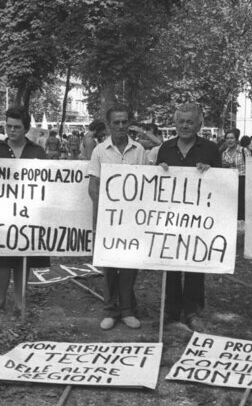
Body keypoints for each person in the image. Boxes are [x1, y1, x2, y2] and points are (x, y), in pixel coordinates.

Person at [155, 103, 221, 328]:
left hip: (198, 220)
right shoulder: (165, 148)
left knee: (195, 266)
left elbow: (221, 184)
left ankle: (193, 312)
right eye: (181, 121)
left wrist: (209, 172)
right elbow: (155, 185)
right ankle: (172, 312)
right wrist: (160, 169)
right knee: (170, 265)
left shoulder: (211, 149)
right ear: (175, 123)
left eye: (189, 122)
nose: (184, 126)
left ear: (199, 124)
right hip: (170, 218)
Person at [0, 106, 50, 319]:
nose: (11, 130)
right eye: (8, 126)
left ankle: (20, 301)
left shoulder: (37, 152)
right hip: (1, 214)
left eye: (17, 127)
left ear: (26, 128)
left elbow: (48, 181)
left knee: (24, 258)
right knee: (1, 259)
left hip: (29, 214)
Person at [88, 105, 146, 330]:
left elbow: (146, 184)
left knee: (130, 264)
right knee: (110, 266)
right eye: (116, 122)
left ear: (128, 123)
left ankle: (128, 310)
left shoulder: (139, 150)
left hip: (133, 220)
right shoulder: (99, 151)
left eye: (124, 122)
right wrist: (105, 214)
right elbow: (93, 187)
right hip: (108, 220)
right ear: (108, 124)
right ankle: (111, 310)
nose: (121, 126)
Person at [220, 128, 248, 220]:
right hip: (230, 182)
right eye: (227, 138)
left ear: (236, 140)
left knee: (242, 205)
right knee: (231, 205)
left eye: (232, 138)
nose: (229, 140)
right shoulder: (224, 153)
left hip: (242, 181)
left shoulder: (244, 151)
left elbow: (251, 167)